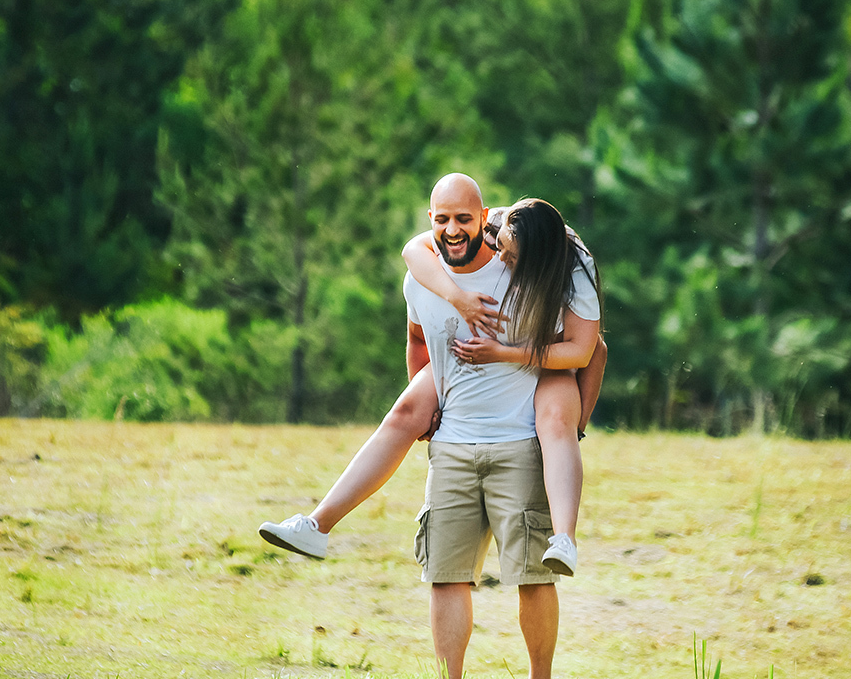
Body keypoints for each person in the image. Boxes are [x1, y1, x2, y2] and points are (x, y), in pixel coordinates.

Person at [259, 187, 605, 576]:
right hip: (487, 353)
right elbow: (413, 251)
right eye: (501, 247)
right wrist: (458, 300)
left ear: (538, 260)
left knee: (557, 423)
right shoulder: (495, 224)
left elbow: (587, 352)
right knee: (404, 413)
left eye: (511, 257)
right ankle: (316, 525)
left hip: (554, 354)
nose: (499, 258)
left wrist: (574, 422)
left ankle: (564, 539)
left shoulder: (576, 268)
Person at [398, 173, 564, 679]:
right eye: (443, 219)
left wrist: (569, 418)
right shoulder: (420, 277)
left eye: (463, 219)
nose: (453, 229)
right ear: (431, 220)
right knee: (445, 576)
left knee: (533, 575)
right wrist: (427, 404)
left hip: (520, 444)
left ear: (484, 216)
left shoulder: (520, 266)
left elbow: (582, 346)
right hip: (451, 448)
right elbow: (417, 338)